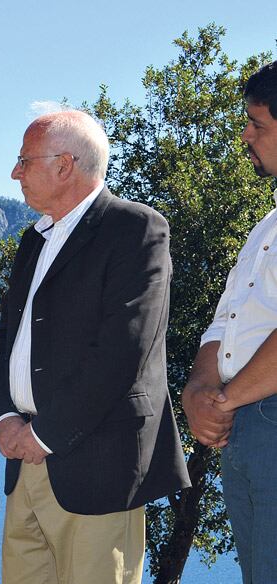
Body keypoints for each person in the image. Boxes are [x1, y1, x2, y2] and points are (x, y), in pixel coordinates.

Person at [0, 110, 190, 584]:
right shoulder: (34, 241)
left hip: (97, 465)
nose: (15, 173)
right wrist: (3, 418)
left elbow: (124, 349)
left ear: (64, 164)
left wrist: (43, 435)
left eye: (24, 160)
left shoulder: (135, 228)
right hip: (25, 465)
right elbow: (5, 338)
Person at [182, 60, 277, 584]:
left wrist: (225, 399)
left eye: (257, 124)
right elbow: (225, 322)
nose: (245, 135)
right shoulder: (266, 225)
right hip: (243, 427)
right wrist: (198, 391)